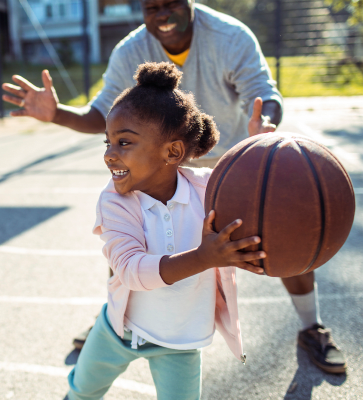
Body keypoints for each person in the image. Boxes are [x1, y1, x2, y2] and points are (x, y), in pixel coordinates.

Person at [2, 0, 346, 374]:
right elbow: (101, 113)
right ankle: (115, 320)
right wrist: (57, 113)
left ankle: (311, 326)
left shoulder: (230, 36)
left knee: (280, 226)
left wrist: (263, 124)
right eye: (151, 8)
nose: (161, 15)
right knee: (129, 238)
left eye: (170, 5)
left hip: (227, 164)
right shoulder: (130, 50)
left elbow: (263, 92)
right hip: (153, 165)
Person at [68, 61, 266, 400]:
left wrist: (260, 155)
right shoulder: (115, 202)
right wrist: (204, 258)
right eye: (108, 143)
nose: (110, 155)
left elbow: (252, 198)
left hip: (180, 340)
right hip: (120, 331)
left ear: (172, 152)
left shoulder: (208, 191)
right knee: (81, 392)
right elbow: (130, 271)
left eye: (124, 143)